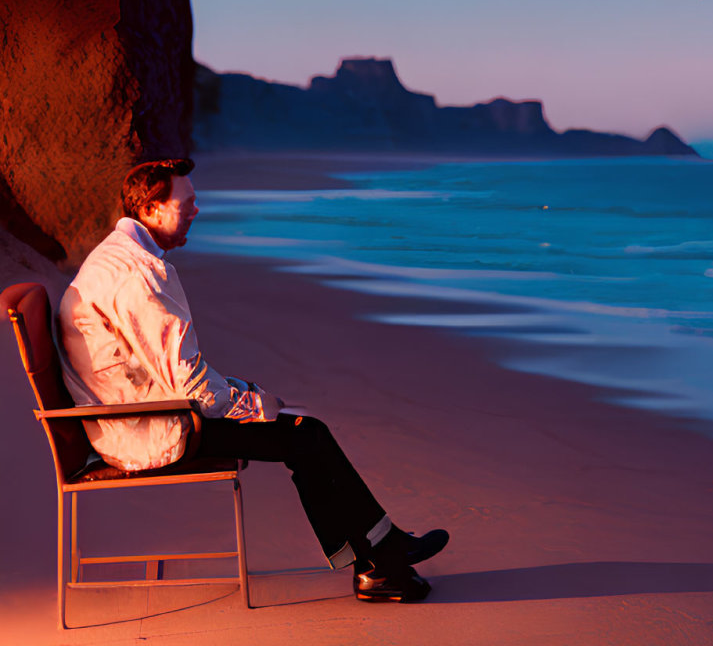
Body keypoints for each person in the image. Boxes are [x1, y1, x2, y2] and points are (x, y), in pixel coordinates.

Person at [57, 158, 447, 602]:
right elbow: (189, 383)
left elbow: (171, 370)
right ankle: (378, 560)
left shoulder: (121, 257)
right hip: (148, 427)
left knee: (302, 433)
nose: (197, 210)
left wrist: (242, 393)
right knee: (306, 435)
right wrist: (254, 404)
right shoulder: (138, 274)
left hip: (134, 414)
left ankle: (376, 557)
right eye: (188, 202)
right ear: (151, 210)